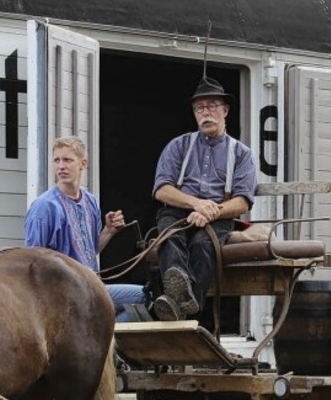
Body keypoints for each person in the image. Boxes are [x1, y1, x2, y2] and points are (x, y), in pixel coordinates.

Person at [150, 76, 258, 321]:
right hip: (179, 210)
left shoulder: (241, 154)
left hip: (219, 214)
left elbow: (242, 202)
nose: (205, 113)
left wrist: (210, 211)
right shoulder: (178, 146)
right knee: (171, 236)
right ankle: (180, 297)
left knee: (202, 245)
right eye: (200, 108)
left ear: (225, 110)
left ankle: (181, 309)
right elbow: (161, 190)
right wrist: (195, 204)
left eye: (211, 106)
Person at [25, 136, 148, 322]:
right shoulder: (44, 206)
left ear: (83, 163)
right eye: (56, 160)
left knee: (141, 306)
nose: (61, 166)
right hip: (65, 293)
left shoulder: (90, 201)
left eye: (67, 160)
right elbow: (31, 261)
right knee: (143, 296)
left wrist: (108, 231)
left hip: (92, 286)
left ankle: (105, 343)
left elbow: (90, 251)